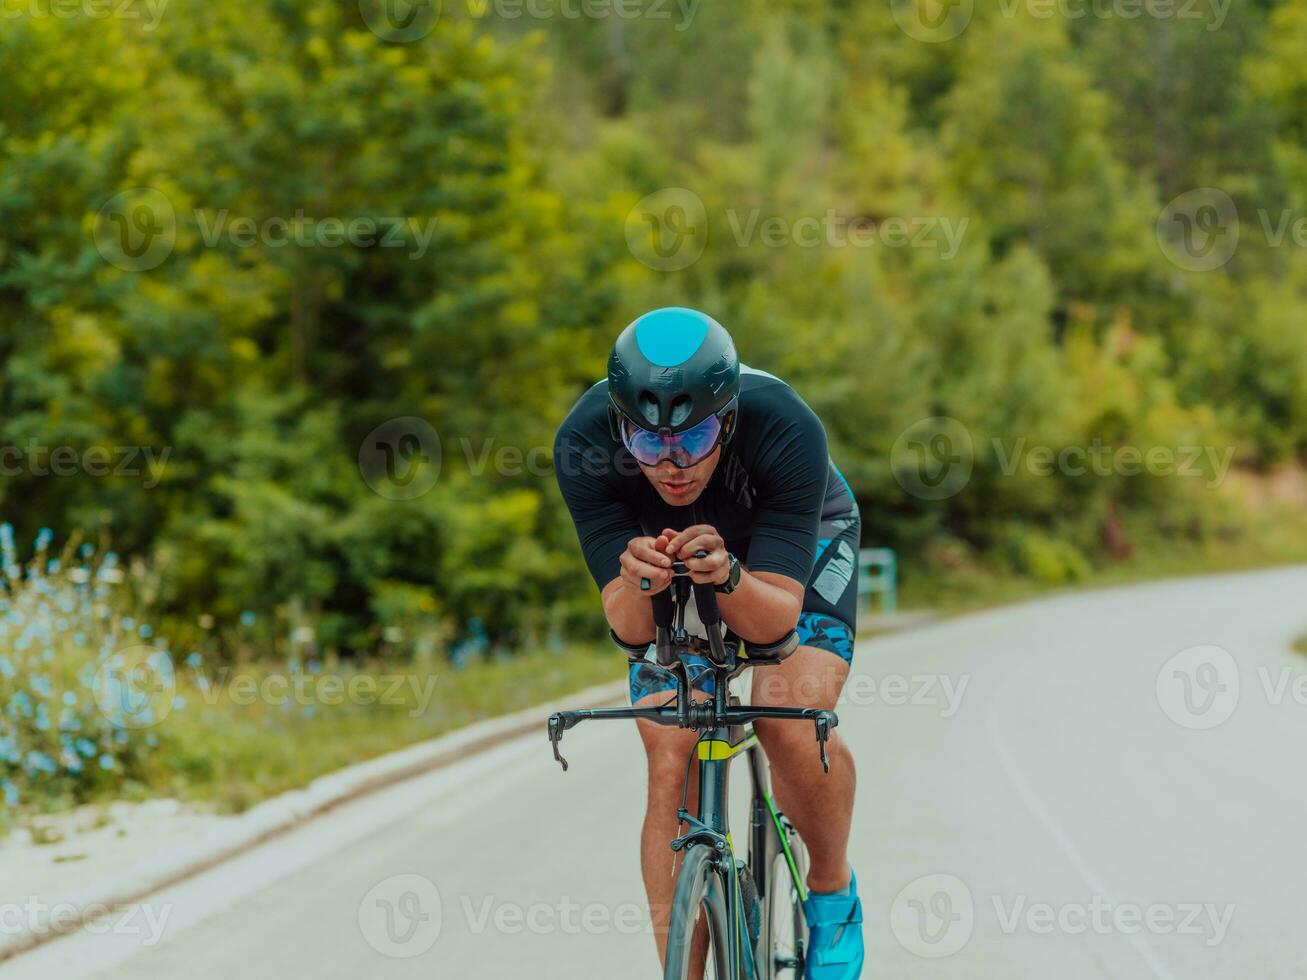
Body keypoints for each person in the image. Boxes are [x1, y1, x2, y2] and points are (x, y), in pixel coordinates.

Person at [553, 307, 863, 978]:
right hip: (671, 563)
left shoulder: (783, 426)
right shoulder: (581, 442)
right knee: (668, 753)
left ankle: (833, 893)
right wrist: (634, 585)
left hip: (787, 554)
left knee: (789, 719)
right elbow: (627, 632)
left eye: (692, 440)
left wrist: (726, 574)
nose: (670, 465)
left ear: (726, 420)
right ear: (616, 426)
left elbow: (775, 623)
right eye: (645, 442)